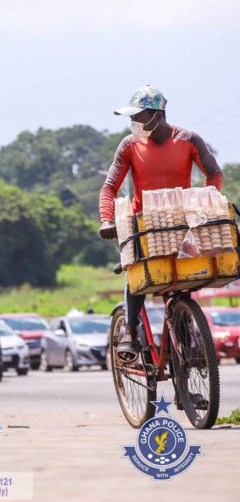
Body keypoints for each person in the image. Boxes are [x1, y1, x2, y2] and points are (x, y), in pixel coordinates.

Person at [98, 85, 223, 369]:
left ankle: (185, 353)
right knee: (137, 275)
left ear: (156, 115)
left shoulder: (189, 140)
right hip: (145, 225)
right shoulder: (129, 145)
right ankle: (130, 332)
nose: (134, 123)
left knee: (183, 281)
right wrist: (107, 220)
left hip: (182, 224)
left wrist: (204, 202)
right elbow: (109, 187)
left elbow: (214, 174)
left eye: (139, 116)